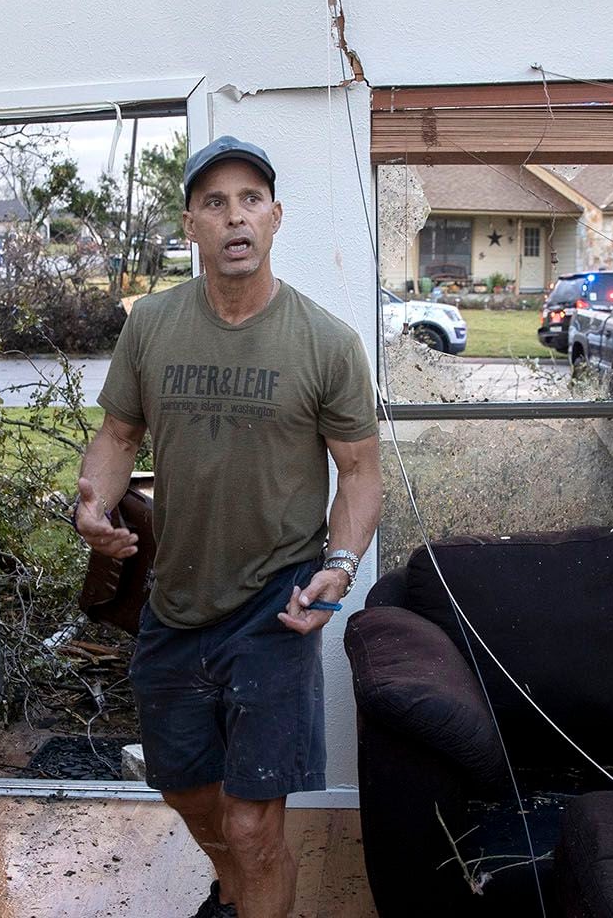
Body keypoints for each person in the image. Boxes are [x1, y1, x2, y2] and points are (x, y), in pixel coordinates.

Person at [74, 136, 381, 918]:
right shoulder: (152, 326)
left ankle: (247, 886)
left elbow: (359, 473)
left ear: (275, 218)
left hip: (274, 606)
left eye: (250, 200)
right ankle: (241, 891)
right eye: (215, 202)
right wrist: (94, 508)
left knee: (252, 823)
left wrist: (339, 567)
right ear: (191, 225)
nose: (234, 217)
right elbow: (116, 435)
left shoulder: (326, 343)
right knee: (186, 792)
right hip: (173, 603)